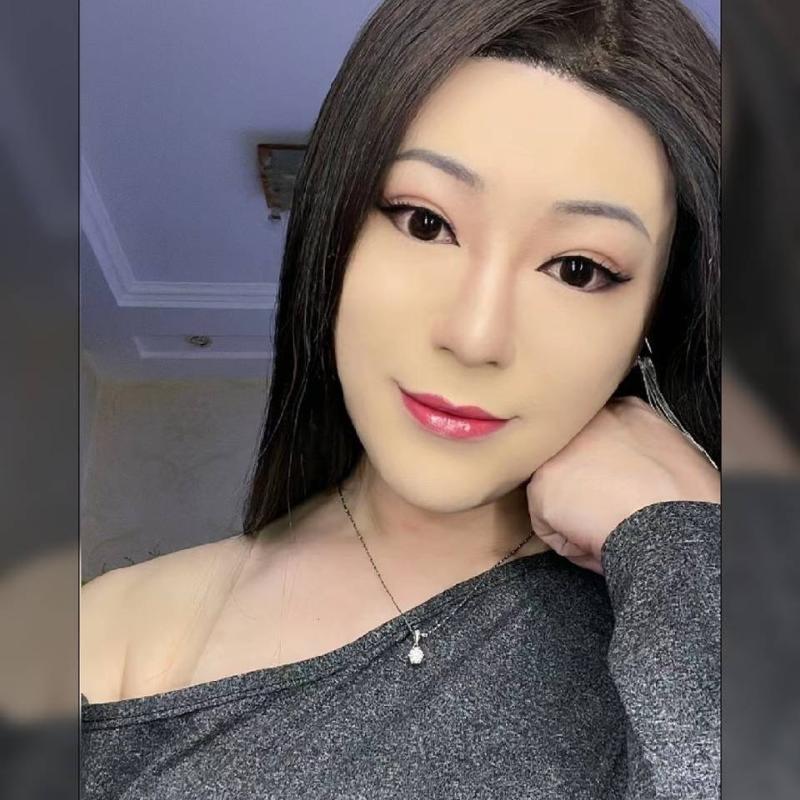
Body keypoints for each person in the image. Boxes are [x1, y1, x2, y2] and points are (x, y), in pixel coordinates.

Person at [81, 0, 721, 797]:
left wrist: (686, 544)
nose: (476, 335)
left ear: (653, 318)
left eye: (578, 269)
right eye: (424, 222)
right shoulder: (108, 638)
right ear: (335, 233)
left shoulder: (685, 601)